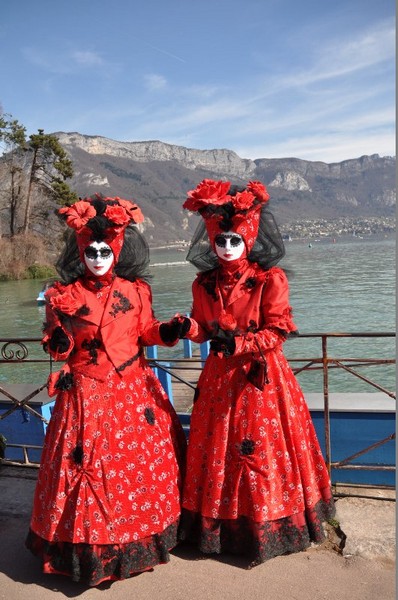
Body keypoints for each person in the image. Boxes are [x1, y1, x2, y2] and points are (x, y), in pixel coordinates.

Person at [26, 194, 187, 586]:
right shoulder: (64, 294)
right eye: (91, 250)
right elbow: (53, 338)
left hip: (132, 389)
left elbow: (145, 331)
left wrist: (167, 332)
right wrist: (59, 343)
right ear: (81, 251)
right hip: (85, 392)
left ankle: (138, 540)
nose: (98, 256)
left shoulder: (136, 291)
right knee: (89, 471)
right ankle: (87, 549)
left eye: (105, 249)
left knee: (135, 469)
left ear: (117, 248)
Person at [178, 179, 336, 566]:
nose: (227, 248)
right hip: (218, 380)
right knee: (217, 449)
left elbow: (278, 330)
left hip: (259, 378)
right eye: (221, 241)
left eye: (234, 240)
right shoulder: (204, 283)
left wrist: (241, 344)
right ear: (211, 242)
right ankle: (219, 530)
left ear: (248, 239)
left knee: (261, 450)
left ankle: (269, 524)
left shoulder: (270, 279)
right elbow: (203, 327)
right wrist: (186, 328)